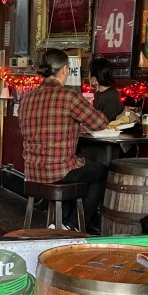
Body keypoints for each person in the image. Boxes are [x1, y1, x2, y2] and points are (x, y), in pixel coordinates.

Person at [19, 48, 114, 232]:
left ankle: (61, 221)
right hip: (59, 170)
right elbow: (101, 123)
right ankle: (73, 224)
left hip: (32, 171)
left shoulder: (27, 97)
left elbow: (42, 128)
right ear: (64, 70)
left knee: (80, 171)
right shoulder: (68, 96)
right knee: (102, 172)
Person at [89, 57, 125, 123]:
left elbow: (105, 124)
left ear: (94, 79)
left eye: (89, 73)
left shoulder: (110, 97)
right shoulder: (101, 93)